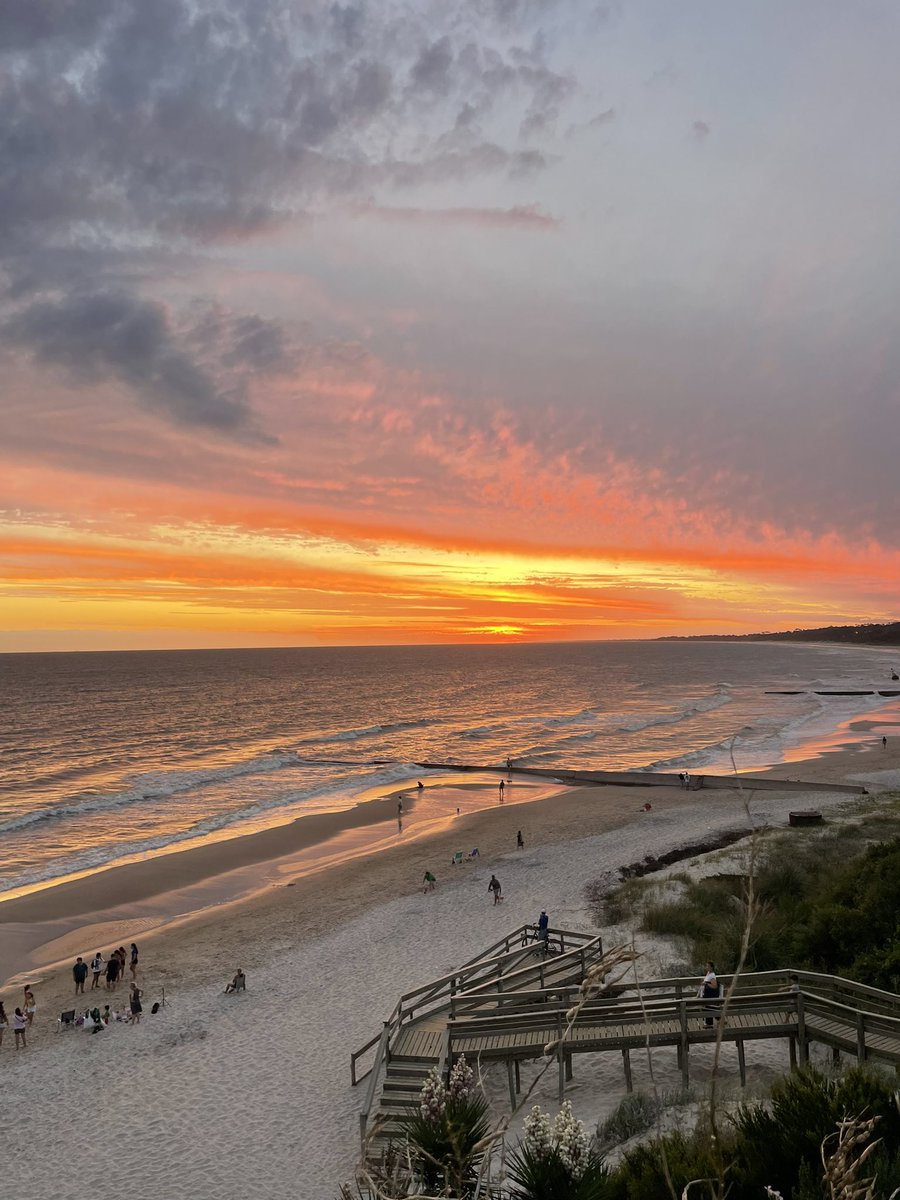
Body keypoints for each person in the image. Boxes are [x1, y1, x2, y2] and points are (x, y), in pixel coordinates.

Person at [698, 962, 719, 1027]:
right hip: (707, 994)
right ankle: (720, 1020)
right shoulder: (708, 973)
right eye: (706, 966)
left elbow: (715, 986)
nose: (706, 967)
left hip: (710, 995)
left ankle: (709, 1024)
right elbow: (707, 982)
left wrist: (706, 984)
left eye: (708, 966)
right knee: (710, 1008)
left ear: (711, 967)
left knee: (708, 1008)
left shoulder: (712, 975)